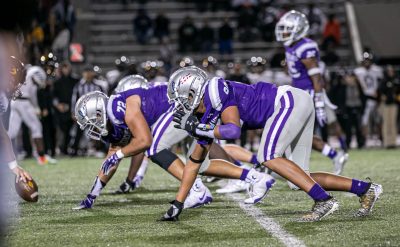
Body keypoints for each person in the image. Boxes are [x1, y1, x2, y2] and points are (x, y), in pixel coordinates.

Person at [161, 66, 383, 222]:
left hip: (286, 102)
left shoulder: (215, 90)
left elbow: (232, 129)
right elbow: (193, 164)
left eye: (180, 99)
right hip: (293, 104)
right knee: (299, 180)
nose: (179, 106)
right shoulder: (203, 117)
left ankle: (324, 201)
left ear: (192, 93)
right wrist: (177, 204)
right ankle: (365, 189)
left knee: (268, 155)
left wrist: (199, 128)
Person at [73, 78, 273, 209]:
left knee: (154, 148)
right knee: (200, 165)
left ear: (98, 114)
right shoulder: (112, 121)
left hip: (177, 109)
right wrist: (92, 195)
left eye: (90, 122)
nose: (91, 129)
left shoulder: (123, 108)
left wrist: (119, 156)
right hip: (174, 114)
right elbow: (112, 158)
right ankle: (254, 177)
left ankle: (197, 190)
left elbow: (144, 141)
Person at [275, 10, 348, 174]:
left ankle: (273, 164)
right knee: (298, 134)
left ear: (298, 29)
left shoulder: (305, 47)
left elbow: (316, 77)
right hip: (297, 94)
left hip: (308, 95)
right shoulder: (290, 45)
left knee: (292, 132)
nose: (284, 32)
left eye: (287, 29)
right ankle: (335, 156)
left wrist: (320, 103)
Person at [8, 65, 56, 164]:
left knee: (12, 131)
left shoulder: (23, 75)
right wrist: (36, 108)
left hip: (14, 102)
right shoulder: (35, 72)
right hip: (23, 102)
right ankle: (42, 157)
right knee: (37, 127)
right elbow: (34, 91)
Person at [70, 66, 104, 156]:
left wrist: (102, 113)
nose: (88, 74)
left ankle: (97, 149)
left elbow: (102, 99)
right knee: (79, 131)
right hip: (82, 112)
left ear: (93, 73)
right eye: (86, 72)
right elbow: (75, 99)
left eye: (90, 72)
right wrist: (73, 112)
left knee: (97, 131)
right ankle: (75, 150)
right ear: (83, 73)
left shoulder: (98, 86)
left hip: (95, 112)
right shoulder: (79, 86)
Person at [354, 52, 384, 144]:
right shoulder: (358, 71)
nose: (367, 63)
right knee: (365, 121)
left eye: (368, 61)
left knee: (378, 120)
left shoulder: (377, 70)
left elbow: (381, 82)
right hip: (365, 98)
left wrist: (379, 94)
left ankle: (382, 138)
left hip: (376, 98)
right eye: (365, 61)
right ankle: (364, 140)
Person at [52, 62, 78, 154]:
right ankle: (60, 148)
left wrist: (71, 107)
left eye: (67, 68)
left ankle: (67, 148)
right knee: (60, 130)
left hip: (72, 109)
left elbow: (76, 95)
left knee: (70, 130)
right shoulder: (57, 82)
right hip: (60, 110)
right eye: (64, 68)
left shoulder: (75, 81)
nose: (66, 70)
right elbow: (53, 96)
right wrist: (58, 105)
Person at [379, 65, 400, 148]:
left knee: (393, 123)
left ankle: (393, 142)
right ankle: (387, 142)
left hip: (394, 104)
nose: (391, 73)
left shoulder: (395, 80)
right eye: (389, 71)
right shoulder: (384, 81)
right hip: (386, 105)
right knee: (386, 123)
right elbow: (380, 91)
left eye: (392, 71)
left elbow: (398, 91)